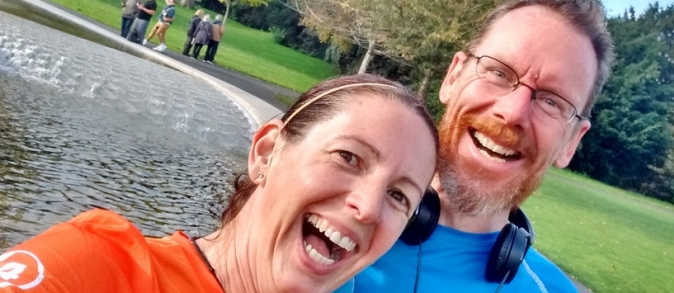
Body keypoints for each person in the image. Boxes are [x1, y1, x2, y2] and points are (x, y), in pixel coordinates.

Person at [0, 74, 440, 293]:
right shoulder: (101, 267)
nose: (367, 206)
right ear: (266, 152)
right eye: (348, 157)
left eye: (399, 196)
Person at [350, 0, 614, 293]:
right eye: (498, 72)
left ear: (572, 141)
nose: (513, 112)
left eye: (552, 102)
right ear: (452, 78)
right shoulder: (331, 228)